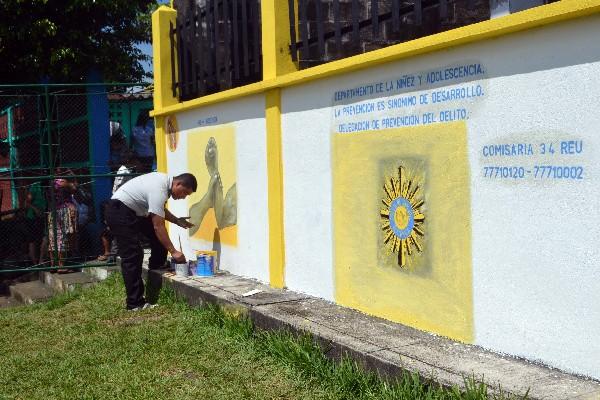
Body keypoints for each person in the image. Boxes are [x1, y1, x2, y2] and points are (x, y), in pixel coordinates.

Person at [104, 172, 197, 311]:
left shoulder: (163, 184)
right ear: (177, 184)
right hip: (119, 211)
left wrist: (177, 220)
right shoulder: (159, 188)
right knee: (133, 255)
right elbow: (158, 225)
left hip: (131, 210)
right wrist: (174, 252)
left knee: (156, 236)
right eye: (184, 192)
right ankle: (135, 304)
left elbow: (159, 210)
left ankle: (157, 264)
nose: (183, 197)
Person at [47, 171, 78, 273]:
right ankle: (61, 265)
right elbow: (75, 189)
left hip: (53, 211)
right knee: (62, 237)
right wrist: (72, 179)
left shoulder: (52, 182)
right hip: (63, 211)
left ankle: (53, 265)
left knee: (53, 238)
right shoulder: (62, 182)